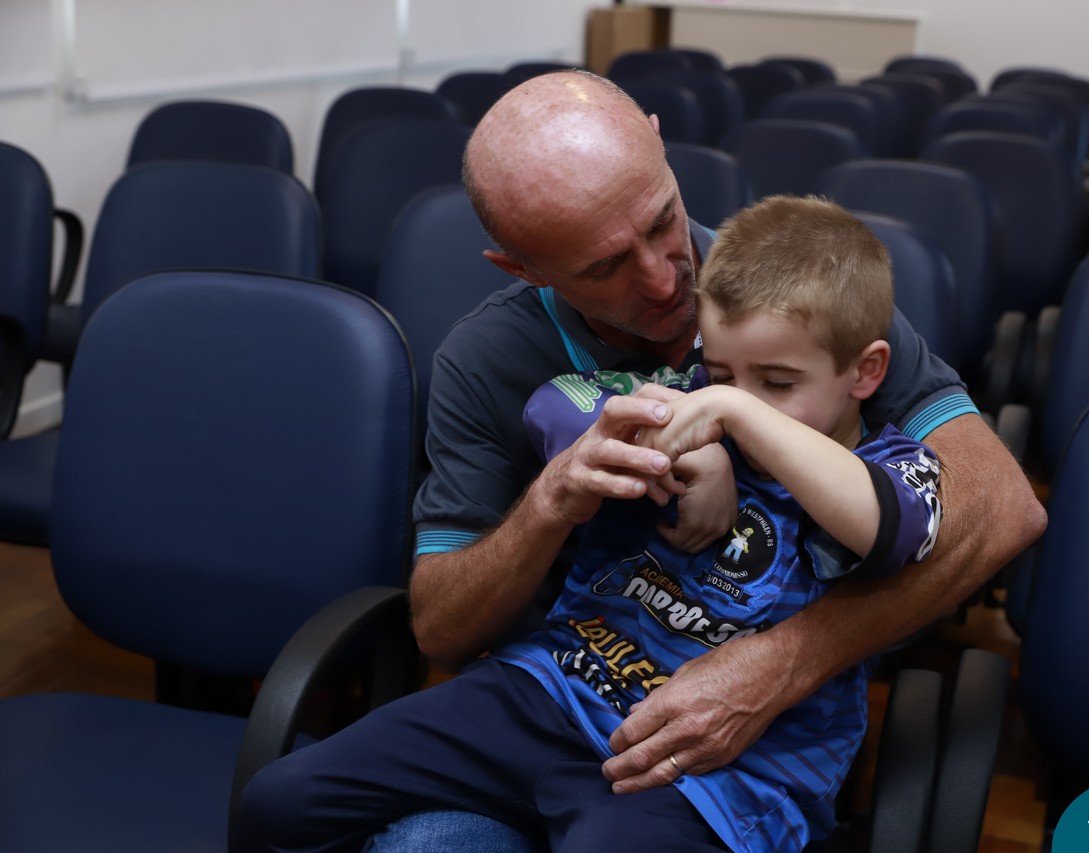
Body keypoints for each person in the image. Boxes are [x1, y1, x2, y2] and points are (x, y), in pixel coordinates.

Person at [332, 67, 1041, 850]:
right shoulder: (483, 359)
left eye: (662, 219)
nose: (665, 278)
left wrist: (781, 664)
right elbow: (441, 630)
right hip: (550, 700)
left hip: (742, 748)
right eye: (604, 267)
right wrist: (548, 503)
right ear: (523, 269)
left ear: (659, 143)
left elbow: (1003, 507)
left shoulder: (787, 293)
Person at [236, 195, 944, 852]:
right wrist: (690, 440)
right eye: (723, 371)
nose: (736, 397)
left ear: (866, 372)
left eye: (778, 384)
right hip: (550, 691)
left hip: (708, 772)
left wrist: (734, 415)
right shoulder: (684, 399)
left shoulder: (897, 466)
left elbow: (886, 525)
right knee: (280, 800)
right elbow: (557, 405)